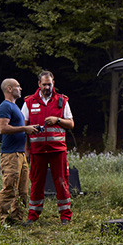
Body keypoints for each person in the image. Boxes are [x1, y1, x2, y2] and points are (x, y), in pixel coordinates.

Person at [22, 70, 75, 225]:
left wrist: (57, 119)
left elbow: (71, 124)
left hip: (57, 150)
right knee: (36, 182)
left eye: (49, 84)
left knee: (61, 182)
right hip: (37, 151)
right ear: (39, 84)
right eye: (44, 84)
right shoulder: (29, 102)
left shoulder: (62, 101)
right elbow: (23, 129)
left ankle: (65, 216)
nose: (47, 87)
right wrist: (26, 150)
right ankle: (33, 216)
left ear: (53, 83)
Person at [0, 78, 38, 224]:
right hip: (10, 154)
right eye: (18, 87)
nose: (21, 89)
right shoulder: (5, 106)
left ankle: (17, 220)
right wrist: (25, 128)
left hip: (20, 154)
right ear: (10, 89)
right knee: (9, 189)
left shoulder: (15, 107)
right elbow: (3, 128)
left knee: (22, 191)